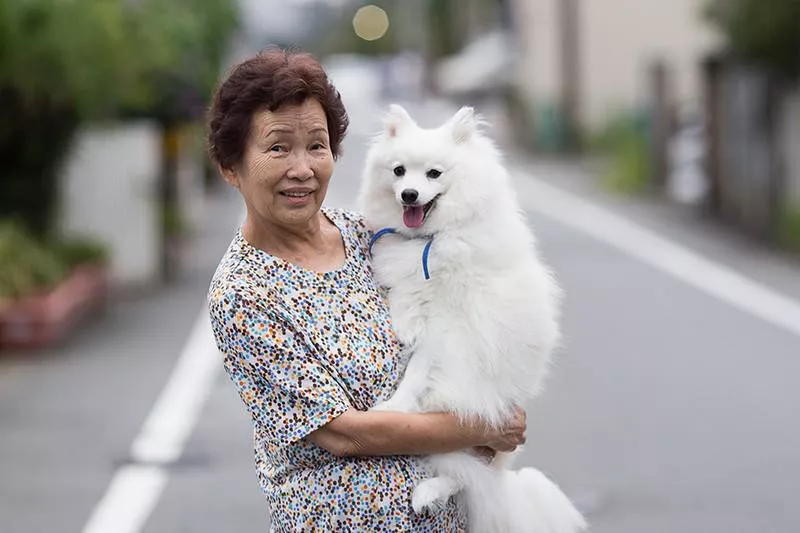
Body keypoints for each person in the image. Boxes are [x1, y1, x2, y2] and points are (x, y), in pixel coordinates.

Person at [206, 47, 527, 531]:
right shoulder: (244, 292)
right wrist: (484, 426)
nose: (303, 168)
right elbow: (344, 434)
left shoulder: (372, 237)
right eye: (278, 148)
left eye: (316, 145)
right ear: (231, 168)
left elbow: (465, 322)